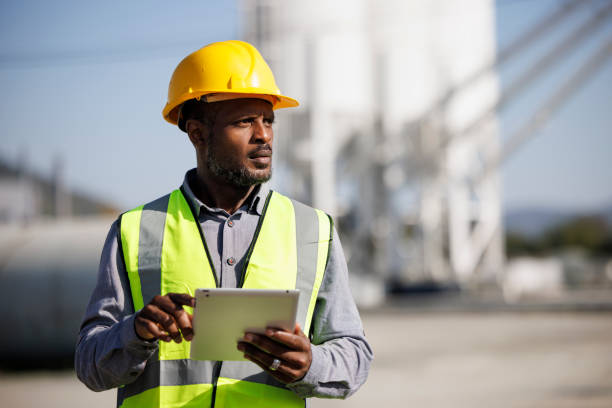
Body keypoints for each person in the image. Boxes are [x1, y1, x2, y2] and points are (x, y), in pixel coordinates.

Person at [75, 40, 372, 408]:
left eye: (268, 120)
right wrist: (135, 332)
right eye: (245, 121)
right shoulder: (135, 231)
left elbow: (355, 356)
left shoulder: (314, 230)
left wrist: (311, 363)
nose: (263, 134)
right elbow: (89, 364)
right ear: (198, 133)